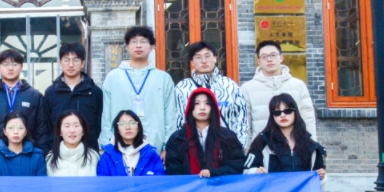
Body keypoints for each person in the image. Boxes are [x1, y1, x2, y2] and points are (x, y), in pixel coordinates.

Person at [100, 26, 177, 157]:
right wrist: (107, 146)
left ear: (151, 47)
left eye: (143, 41)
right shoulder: (113, 77)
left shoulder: (163, 78)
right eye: (134, 41)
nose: (139, 45)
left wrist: (168, 147)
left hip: (155, 147)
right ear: (127, 47)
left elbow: (170, 116)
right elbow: (106, 116)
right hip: (119, 148)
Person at [173, 41, 251, 152]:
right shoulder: (182, 88)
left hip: (228, 149)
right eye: (198, 57)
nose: (204, 61)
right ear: (192, 61)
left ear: (215, 58)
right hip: (193, 151)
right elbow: (179, 121)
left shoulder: (230, 86)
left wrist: (238, 147)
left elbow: (240, 119)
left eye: (207, 56)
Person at [240, 40, 317, 141]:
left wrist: (312, 145)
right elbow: (245, 124)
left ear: (281, 58)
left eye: (273, 55)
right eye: (264, 57)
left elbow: (308, 119)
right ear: (258, 62)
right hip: (263, 147)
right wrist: (250, 149)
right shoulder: (247, 88)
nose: (269, 59)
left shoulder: (298, 85)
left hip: (294, 147)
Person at [0, 49, 51, 152]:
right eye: (5, 64)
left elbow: (42, 131)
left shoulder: (34, 96)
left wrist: (40, 154)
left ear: (21, 67)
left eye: (15, 64)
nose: (10, 68)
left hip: (28, 153)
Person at [44, 42, 103, 151]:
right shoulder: (51, 92)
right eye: (66, 60)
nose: (71, 65)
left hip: (88, 151)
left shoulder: (95, 92)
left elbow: (99, 124)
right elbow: (46, 126)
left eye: (75, 60)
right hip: (58, 152)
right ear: (60, 63)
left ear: (82, 63)